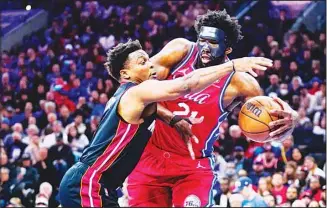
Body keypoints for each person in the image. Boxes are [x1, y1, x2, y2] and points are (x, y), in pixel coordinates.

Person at [58, 39, 271, 207]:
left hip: (99, 186)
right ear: (125, 74)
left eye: (148, 59)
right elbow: (185, 85)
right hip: (88, 182)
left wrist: (173, 119)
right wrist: (232, 65)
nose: (150, 64)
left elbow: (155, 107)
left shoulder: (130, 96)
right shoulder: (138, 91)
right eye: (142, 63)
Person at [127, 10, 299, 207]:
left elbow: (271, 115)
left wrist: (291, 118)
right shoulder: (180, 51)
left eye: (214, 43)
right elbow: (136, 90)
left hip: (192, 166)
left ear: (228, 49)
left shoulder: (240, 83)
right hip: (150, 156)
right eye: (202, 40)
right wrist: (170, 117)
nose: (205, 47)